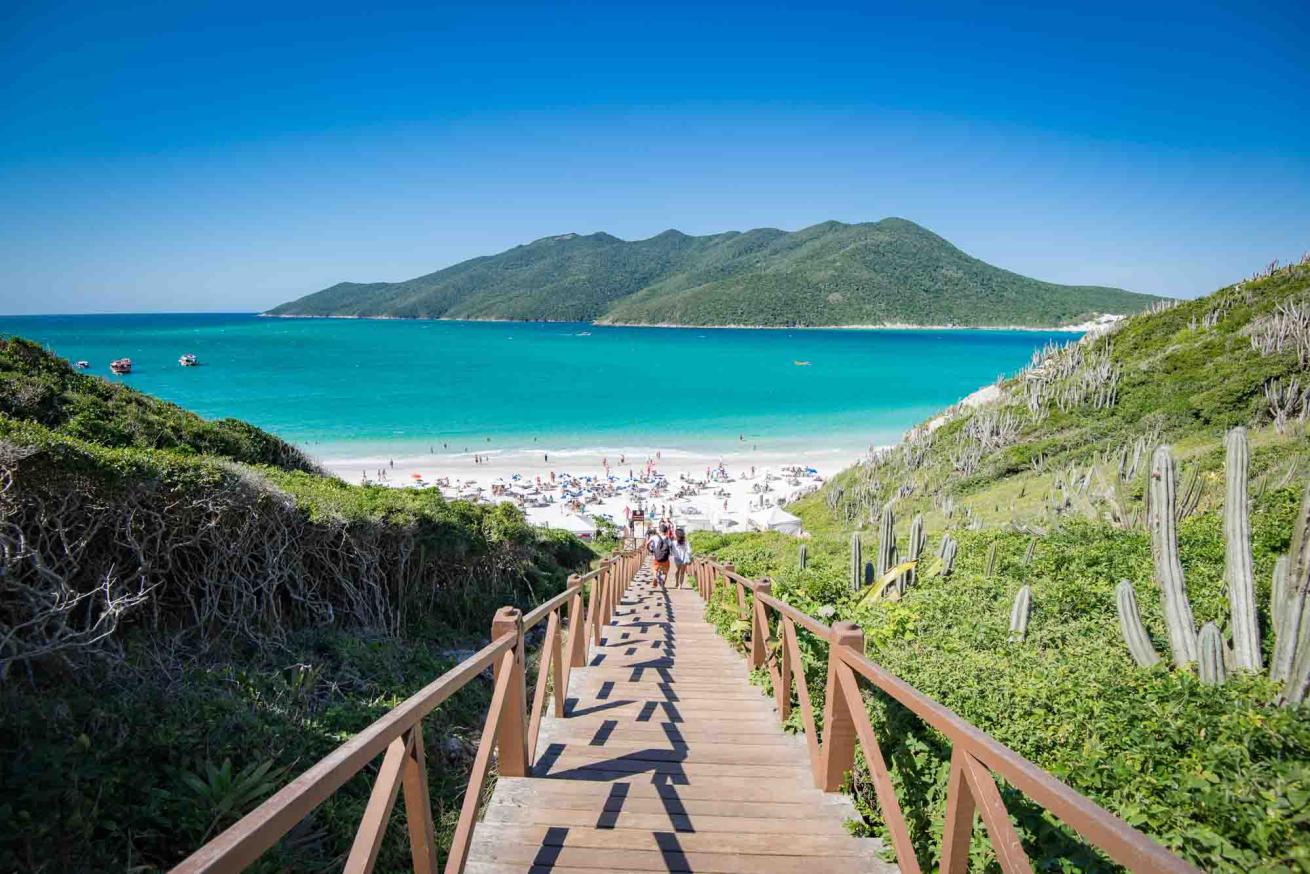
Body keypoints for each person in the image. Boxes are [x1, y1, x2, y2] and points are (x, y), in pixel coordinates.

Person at [649, 523, 672, 588]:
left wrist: (649, 549)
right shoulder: (668, 539)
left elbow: (647, 543)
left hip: (656, 557)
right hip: (665, 558)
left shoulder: (654, 537)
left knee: (655, 569)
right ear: (666, 531)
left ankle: (655, 577)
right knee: (665, 571)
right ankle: (663, 583)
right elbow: (670, 547)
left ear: (659, 530)